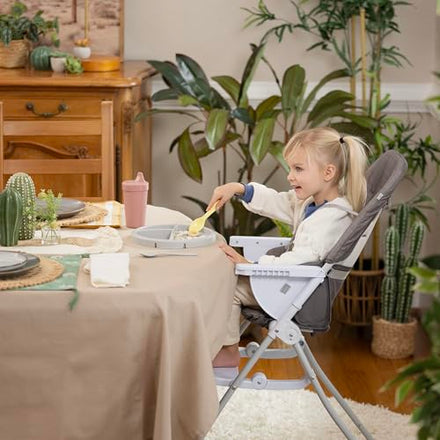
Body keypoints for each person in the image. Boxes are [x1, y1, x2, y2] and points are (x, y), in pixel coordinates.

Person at [207, 127, 369, 368]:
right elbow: (279, 201)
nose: (290, 176)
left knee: (227, 288)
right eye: (290, 168)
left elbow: (300, 260)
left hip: (293, 293)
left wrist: (251, 265)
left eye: (298, 169)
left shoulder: (331, 219)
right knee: (225, 278)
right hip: (289, 284)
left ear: (328, 172)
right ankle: (215, 345)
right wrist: (239, 189)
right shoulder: (313, 202)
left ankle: (228, 350)